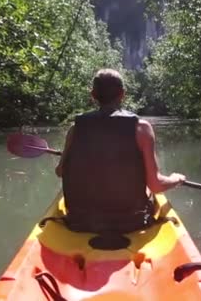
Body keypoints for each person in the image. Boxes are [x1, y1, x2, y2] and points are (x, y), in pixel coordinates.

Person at [55, 68, 186, 233]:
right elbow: (155, 185)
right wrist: (176, 179)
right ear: (122, 94)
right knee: (148, 191)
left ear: (93, 95)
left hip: (80, 222)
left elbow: (60, 172)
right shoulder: (141, 128)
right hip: (132, 222)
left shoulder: (75, 129)